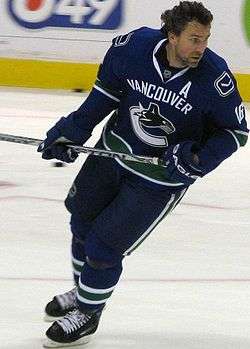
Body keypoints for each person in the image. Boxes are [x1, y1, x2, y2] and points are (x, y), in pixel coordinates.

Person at [38, 1, 249, 347]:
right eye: (194, 39)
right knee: (81, 221)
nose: (201, 48)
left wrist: (197, 159)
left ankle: (88, 314)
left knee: (104, 245)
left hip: (158, 179)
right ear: (172, 34)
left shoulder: (214, 77)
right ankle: (83, 293)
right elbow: (103, 96)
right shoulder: (134, 48)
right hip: (113, 151)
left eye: (205, 40)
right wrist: (71, 132)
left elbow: (235, 133)